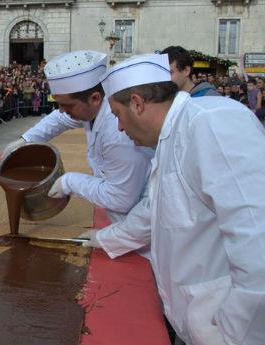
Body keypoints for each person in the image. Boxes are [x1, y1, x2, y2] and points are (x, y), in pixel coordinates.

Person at [82, 53, 265, 345]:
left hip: (227, 330)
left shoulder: (212, 123)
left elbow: (258, 243)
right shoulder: (170, 135)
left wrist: (234, 334)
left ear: (137, 104)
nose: (119, 127)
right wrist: (103, 238)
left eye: (117, 115)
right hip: (197, 322)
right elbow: (155, 210)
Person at [3, 51, 153, 224]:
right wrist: (26, 140)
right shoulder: (91, 109)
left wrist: (69, 182)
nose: (61, 110)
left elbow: (121, 199)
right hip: (126, 225)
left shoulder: (118, 133)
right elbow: (59, 118)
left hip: (140, 225)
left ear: (95, 98)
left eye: (66, 105)